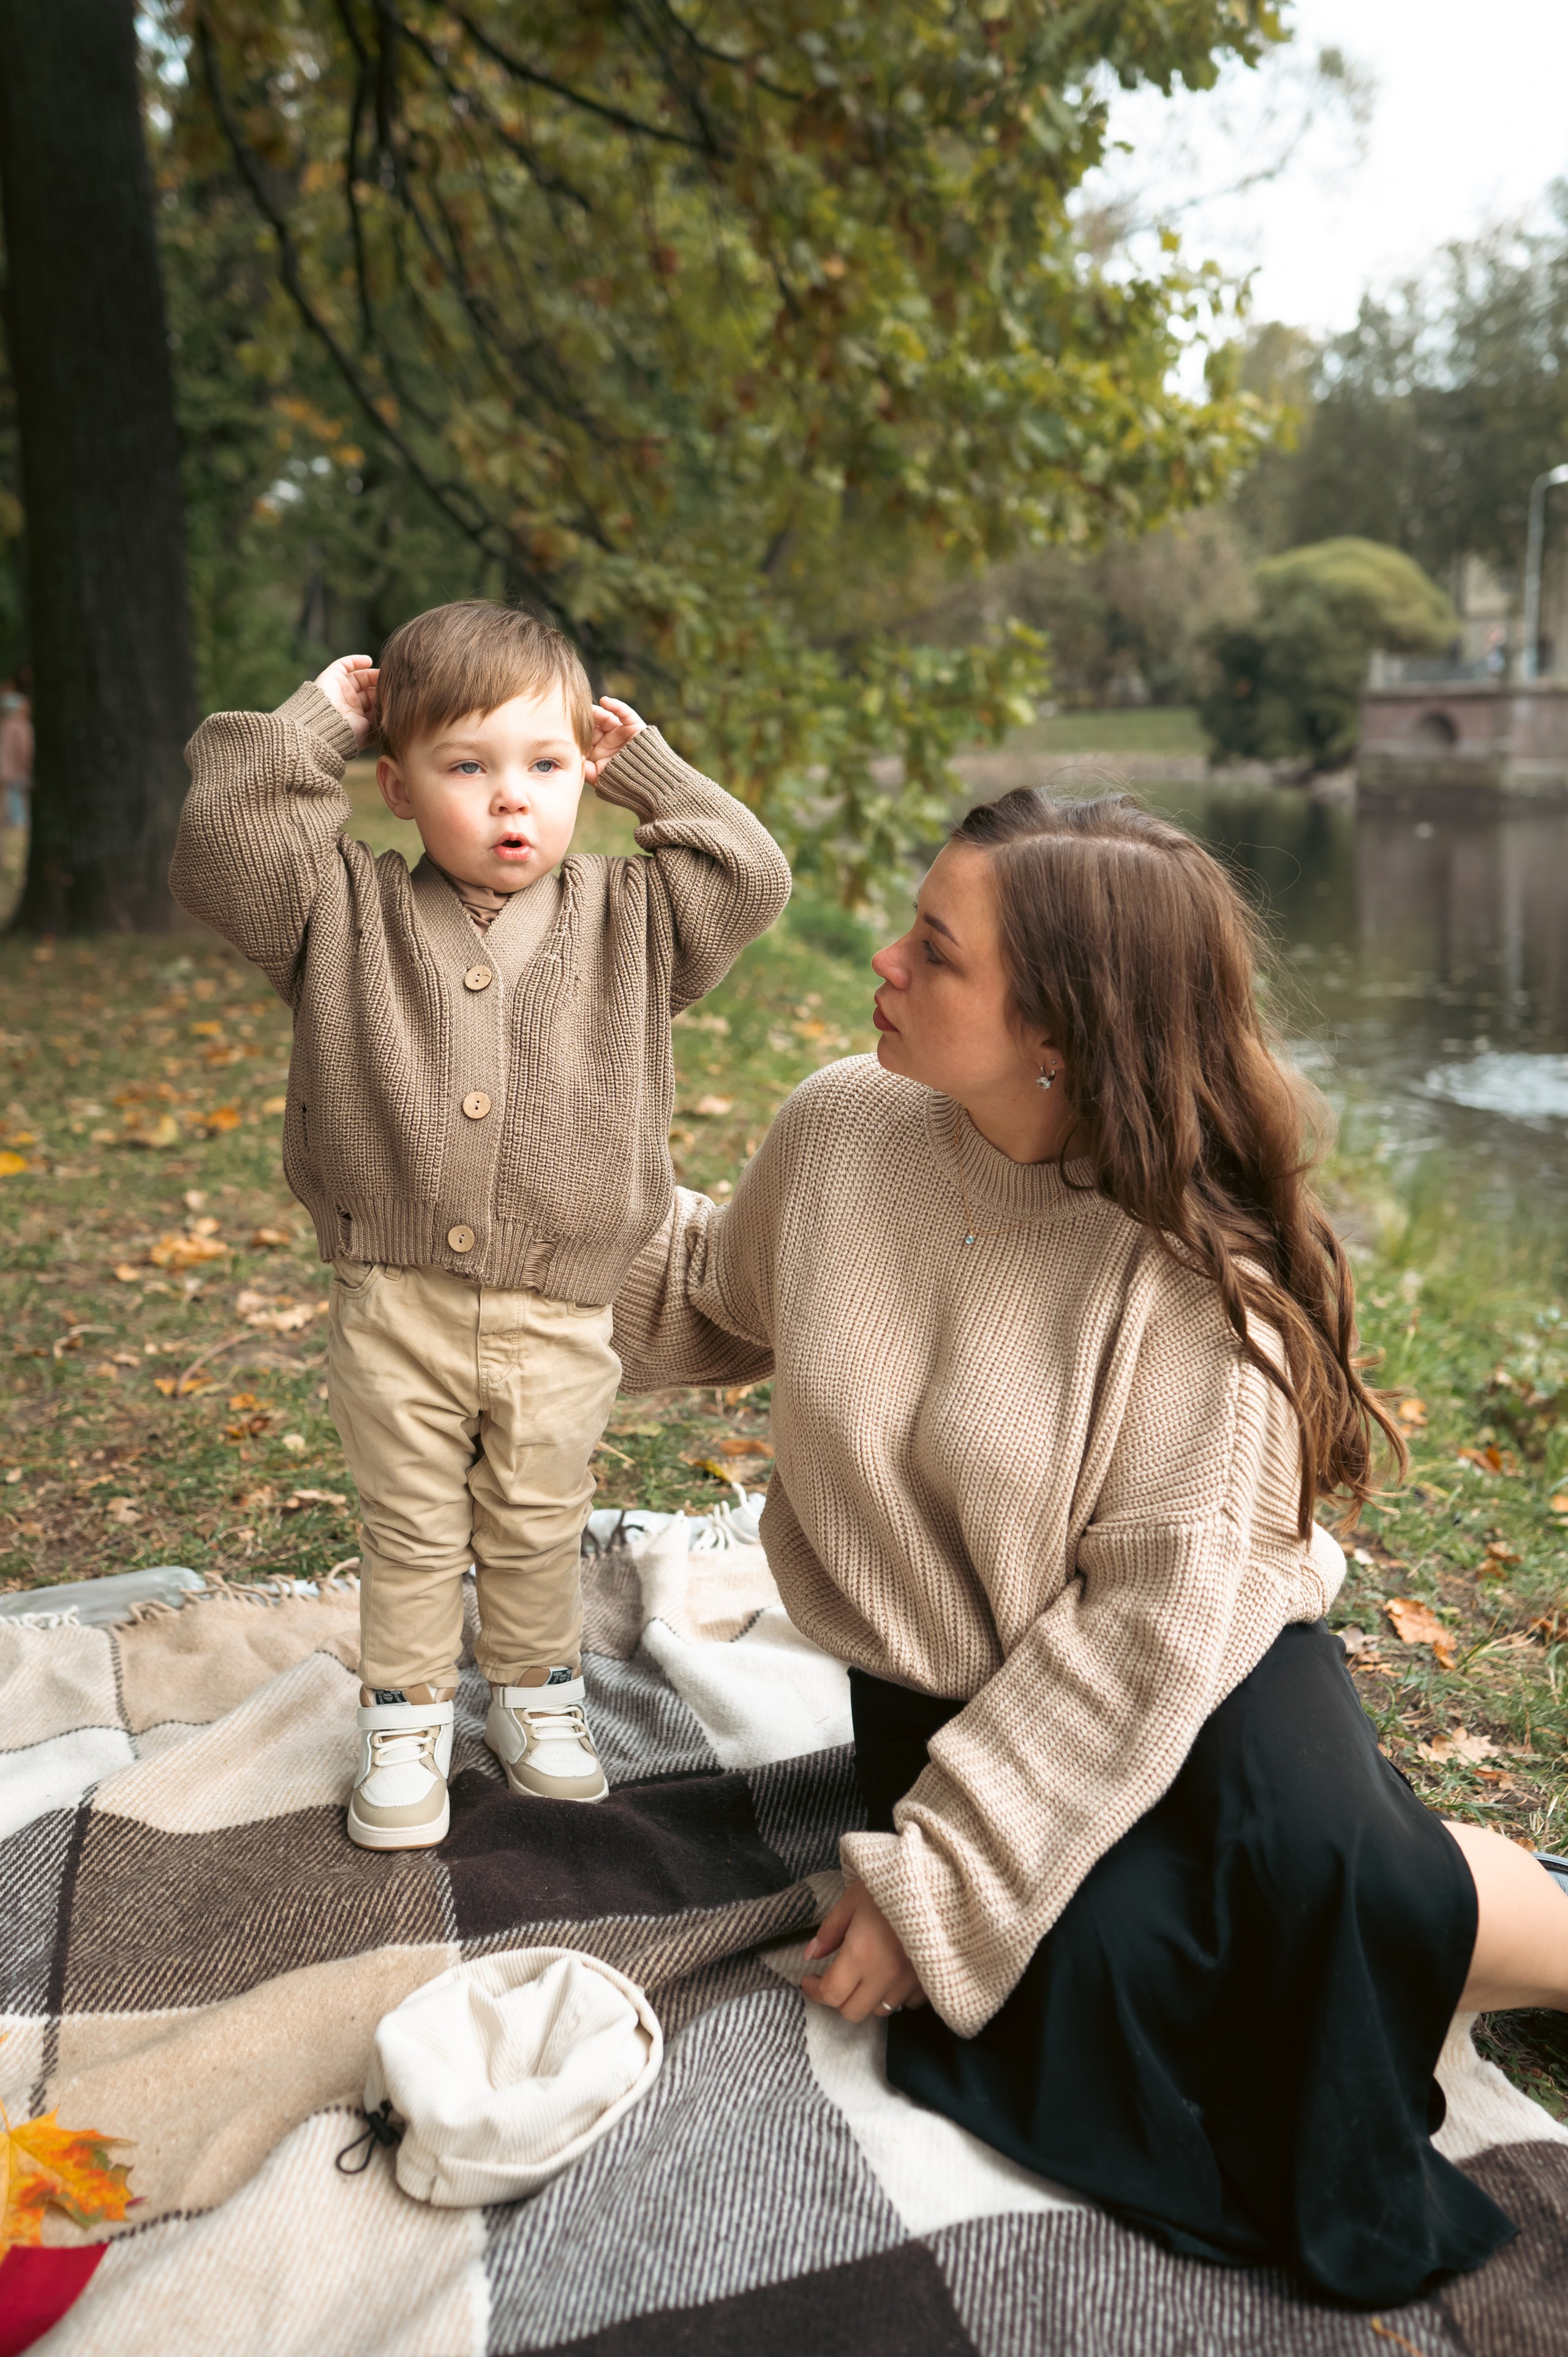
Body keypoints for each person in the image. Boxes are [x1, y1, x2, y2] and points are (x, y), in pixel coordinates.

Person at [611, 786, 1568, 2307]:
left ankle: (1540, 1922)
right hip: (962, 1692)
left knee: (1334, 1881)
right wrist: (501, 1231)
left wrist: (936, 1877)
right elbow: (705, 1296)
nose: (884, 961)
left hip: (1206, 1647)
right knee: (1097, 2002)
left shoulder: (1200, 1280)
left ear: (1060, 1027)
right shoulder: (843, 1125)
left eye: (935, 950)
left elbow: (1147, 1628)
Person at [171, 601, 790, 1848]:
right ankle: (403, 1712)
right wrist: (314, 728)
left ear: (587, 775)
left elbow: (750, 874)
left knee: (536, 1511)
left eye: (547, 766)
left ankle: (532, 1692)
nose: (513, 802)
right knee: (406, 1520)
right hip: (391, 1296)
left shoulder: (636, 921)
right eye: (467, 768)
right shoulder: (334, 911)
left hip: (564, 1303)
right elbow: (221, 839)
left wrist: (647, 768)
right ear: (391, 785)